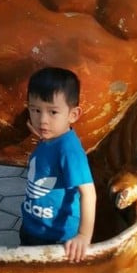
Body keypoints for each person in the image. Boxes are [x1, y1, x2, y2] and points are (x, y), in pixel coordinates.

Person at [20, 67, 96, 262]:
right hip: (32, 228)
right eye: (35, 110)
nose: (42, 120)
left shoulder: (69, 150)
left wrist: (83, 236)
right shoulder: (50, 138)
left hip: (56, 239)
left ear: (73, 115)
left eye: (53, 112)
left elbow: (89, 193)